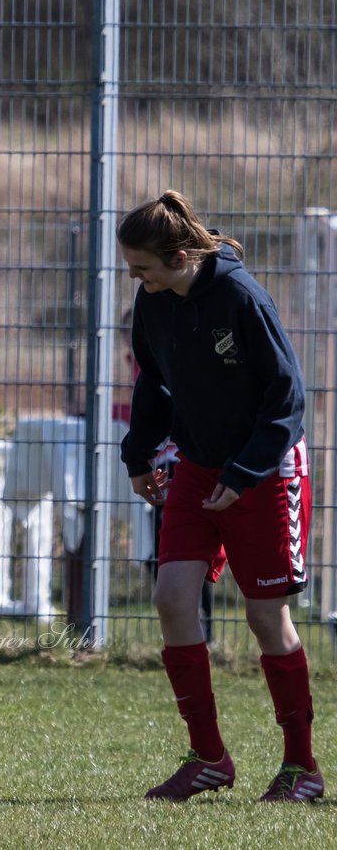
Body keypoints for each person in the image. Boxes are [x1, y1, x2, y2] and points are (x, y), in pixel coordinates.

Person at [118, 190, 321, 803]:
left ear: (180, 256)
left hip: (264, 470)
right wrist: (139, 454)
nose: (137, 281)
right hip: (198, 468)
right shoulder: (153, 302)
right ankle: (209, 757)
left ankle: (301, 768)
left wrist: (246, 470)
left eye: (143, 269)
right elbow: (153, 381)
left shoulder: (241, 299)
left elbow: (287, 399)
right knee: (172, 598)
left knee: (265, 618)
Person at [119, 307, 216, 644]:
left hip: (179, 463)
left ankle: (205, 627)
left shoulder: (163, 357)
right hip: (161, 463)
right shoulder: (141, 359)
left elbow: (154, 408)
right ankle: (192, 625)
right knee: (167, 551)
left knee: (185, 551)